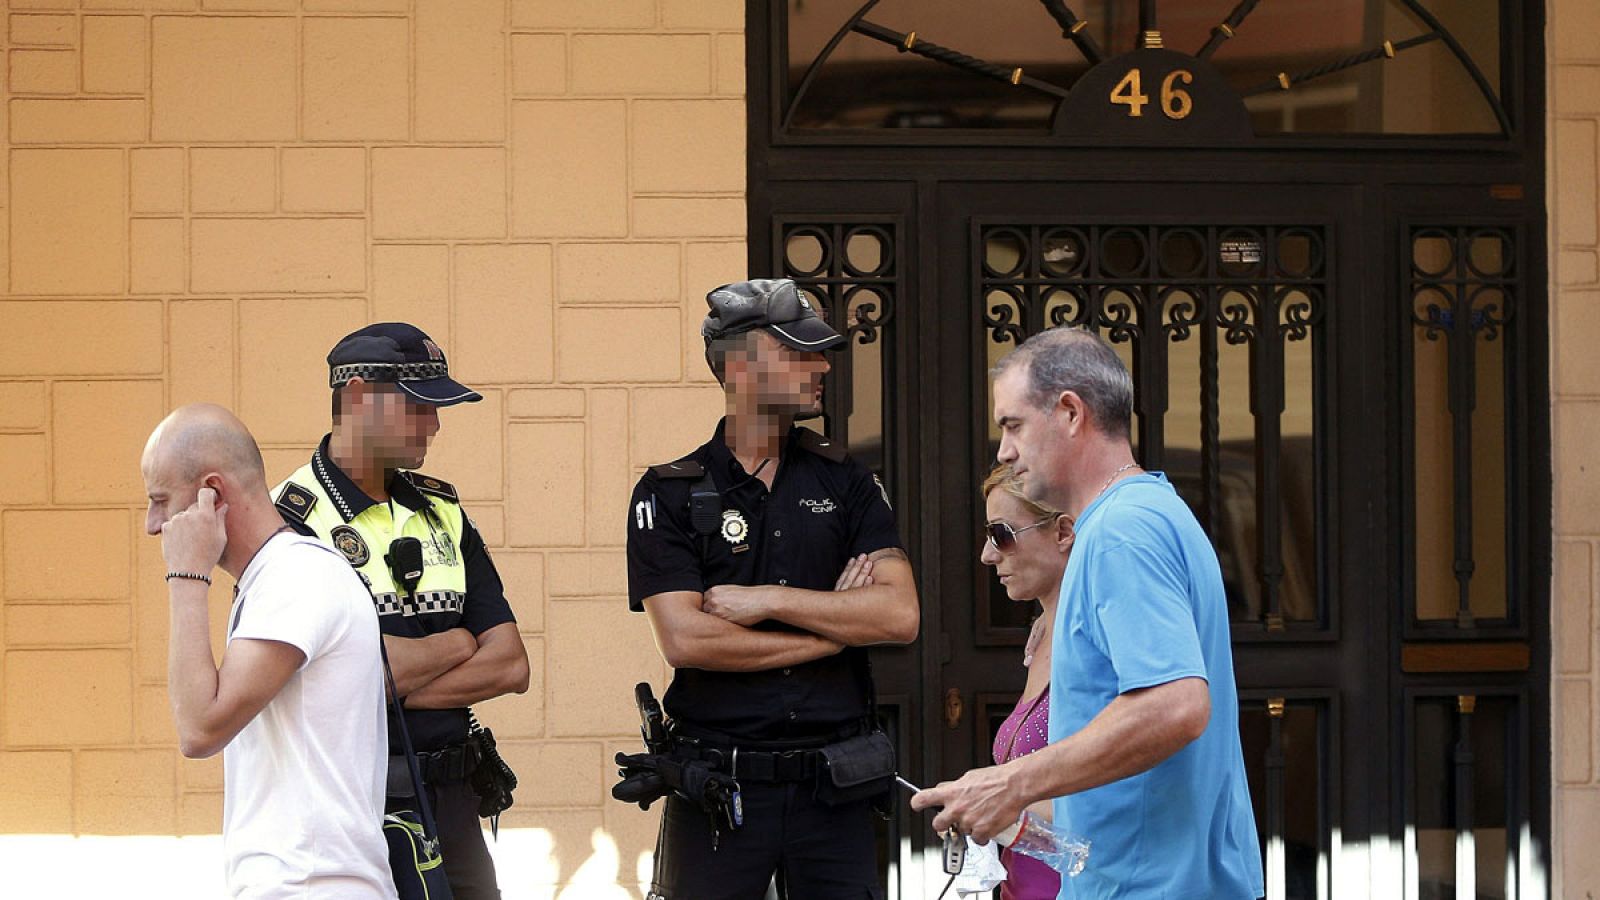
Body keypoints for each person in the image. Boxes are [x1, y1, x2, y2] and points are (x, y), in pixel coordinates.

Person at [912, 327, 1264, 900]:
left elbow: (1176, 704)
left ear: (1071, 412)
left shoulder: (1119, 531)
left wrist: (1012, 782)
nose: (1003, 449)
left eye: (1012, 424)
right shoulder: (1152, 511)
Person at [626, 278, 921, 899]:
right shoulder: (669, 492)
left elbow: (897, 614)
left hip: (833, 790)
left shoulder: (848, 482)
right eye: (798, 351)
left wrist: (768, 601)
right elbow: (685, 639)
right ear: (739, 365)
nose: (820, 366)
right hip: (718, 792)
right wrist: (833, 631)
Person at [273, 323, 530, 900]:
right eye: (419, 406)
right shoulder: (289, 521)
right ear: (360, 395)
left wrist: (389, 682)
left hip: (454, 801)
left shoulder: (442, 508)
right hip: (352, 806)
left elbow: (512, 665)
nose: (435, 424)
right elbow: (312, 681)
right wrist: (460, 643)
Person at [141, 404, 394, 899]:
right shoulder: (278, 579)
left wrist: (186, 577)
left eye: (160, 500)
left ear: (211, 491)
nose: (153, 524)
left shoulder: (296, 578)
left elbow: (199, 728)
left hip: (311, 885)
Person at [979, 464, 1073, 900]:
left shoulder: (1090, 640)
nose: (988, 554)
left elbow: (1113, 800)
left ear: (1062, 532)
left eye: (1001, 534)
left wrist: (997, 802)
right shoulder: (1041, 636)